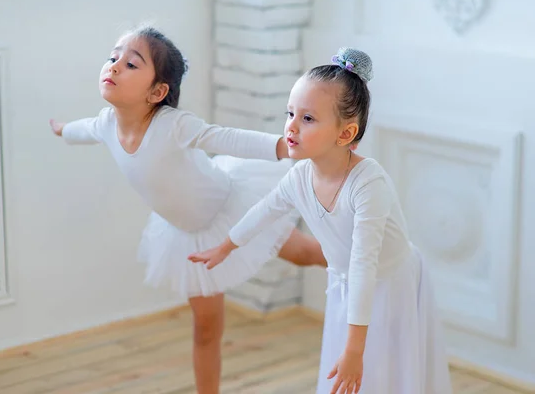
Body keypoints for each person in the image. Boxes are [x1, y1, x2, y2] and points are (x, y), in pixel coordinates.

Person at [49, 24, 327, 394]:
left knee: (305, 253)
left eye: (131, 64)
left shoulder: (172, 125)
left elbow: (226, 138)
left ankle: (361, 262)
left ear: (157, 92)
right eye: (113, 57)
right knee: (207, 329)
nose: (114, 66)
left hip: (232, 206)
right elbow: (83, 129)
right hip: (189, 236)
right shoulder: (105, 124)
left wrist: (284, 146)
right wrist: (63, 129)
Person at [189, 48, 453, 394]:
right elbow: (263, 212)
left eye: (308, 119)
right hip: (347, 285)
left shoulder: (368, 184)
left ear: (345, 135)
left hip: (390, 283)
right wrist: (225, 247)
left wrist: (355, 350)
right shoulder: (299, 177)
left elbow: (363, 264)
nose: (291, 127)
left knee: (383, 370)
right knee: (342, 373)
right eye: (290, 113)